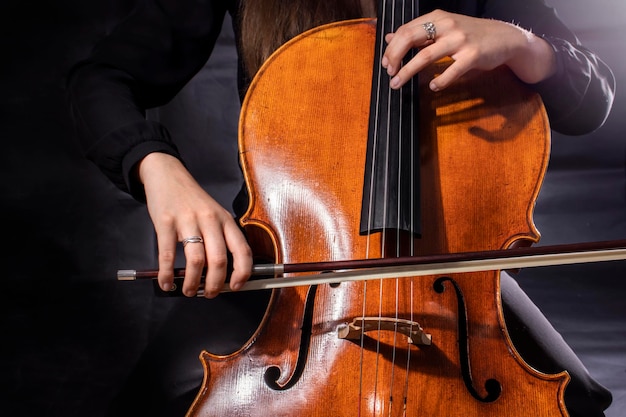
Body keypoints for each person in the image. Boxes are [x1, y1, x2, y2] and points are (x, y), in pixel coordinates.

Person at [67, 0, 616, 416]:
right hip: (283, 261)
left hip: (447, 266)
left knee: (577, 404)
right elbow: (101, 80)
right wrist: (157, 168)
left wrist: (527, 46)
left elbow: (592, 95)